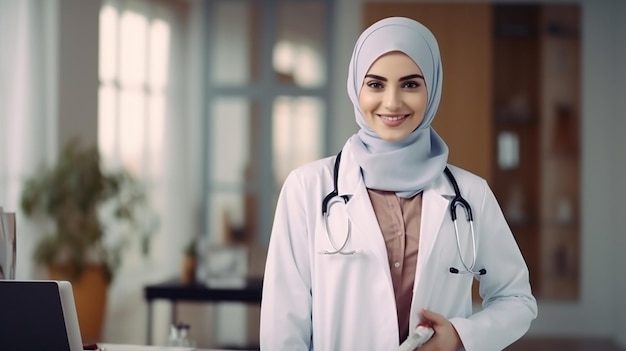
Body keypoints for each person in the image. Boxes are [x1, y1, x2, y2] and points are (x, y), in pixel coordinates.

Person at [259, 16, 537, 351]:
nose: (392, 102)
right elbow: (282, 325)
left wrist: (461, 337)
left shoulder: (470, 194)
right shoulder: (306, 189)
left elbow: (517, 299)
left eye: (410, 84)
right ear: (356, 88)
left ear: (431, 89)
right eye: (375, 84)